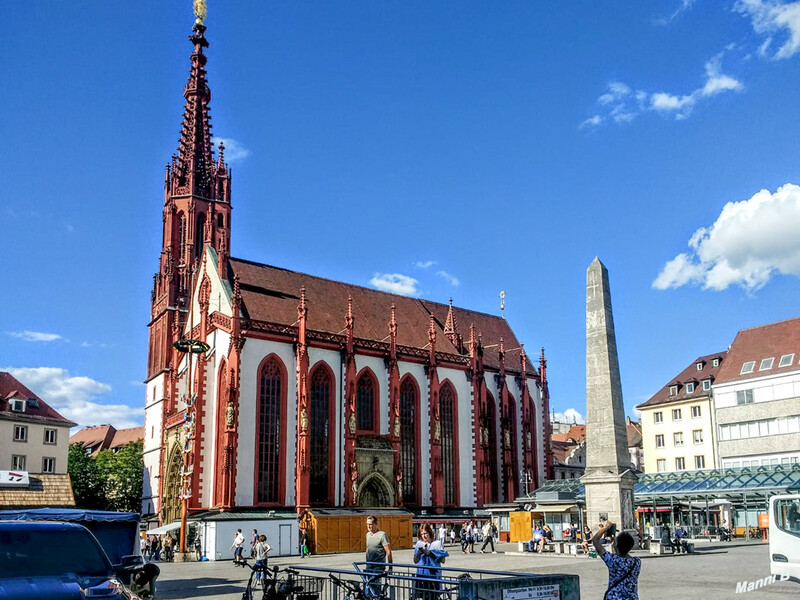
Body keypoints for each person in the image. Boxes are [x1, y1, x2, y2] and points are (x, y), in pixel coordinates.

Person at [593, 521, 640, 600]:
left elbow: (595, 540)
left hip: (614, 597)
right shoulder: (637, 562)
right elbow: (622, 555)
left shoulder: (613, 560)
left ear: (617, 545)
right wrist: (617, 547)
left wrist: (606, 528)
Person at [413, 523, 448, 600]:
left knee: (433, 596)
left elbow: (443, 560)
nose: (424, 536)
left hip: (433, 575)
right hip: (421, 575)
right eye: (421, 534)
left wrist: (432, 554)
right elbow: (415, 561)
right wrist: (418, 554)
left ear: (429, 532)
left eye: (425, 533)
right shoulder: (419, 543)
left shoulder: (437, 543)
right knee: (423, 596)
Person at [366, 515, 392, 596]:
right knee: (369, 586)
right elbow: (367, 549)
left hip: (378, 566)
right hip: (369, 565)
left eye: (370, 524)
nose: (369, 526)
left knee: (375, 586)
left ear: (375, 524)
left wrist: (390, 567)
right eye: (367, 524)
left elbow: (388, 551)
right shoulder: (367, 535)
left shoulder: (382, 535)